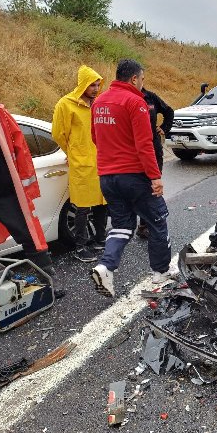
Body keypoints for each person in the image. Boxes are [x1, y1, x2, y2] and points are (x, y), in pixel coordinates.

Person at [90, 59, 174, 297]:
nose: (142, 84)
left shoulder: (99, 102)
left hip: (107, 177)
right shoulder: (135, 101)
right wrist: (155, 177)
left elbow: (96, 137)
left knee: (122, 226)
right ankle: (160, 274)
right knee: (158, 221)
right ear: (134, 79)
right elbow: (144, 144)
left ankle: (105, 266)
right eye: (142, 80)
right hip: (135, 177)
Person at [0, 86, 65, 297]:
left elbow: (21, 150)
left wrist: (26, 190)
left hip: (7, 194)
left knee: (32, 240)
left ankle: (49, 284)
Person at [52, 65, 107, 263]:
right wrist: (72, 152)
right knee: (82, 207)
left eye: (98, 84)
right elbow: (58, 133)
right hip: (81, 162)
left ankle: (101, 239)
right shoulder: (66, 104)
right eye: (91, 84)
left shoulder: (98, 103)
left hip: (101, 161)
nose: (95, 88)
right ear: (82, 84)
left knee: (102, 203)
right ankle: (80, 247)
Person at [136, 87, 174, 239]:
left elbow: (169, 111)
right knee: (139, 187)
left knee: (152, 186)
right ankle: (134, 224)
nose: (141, 81)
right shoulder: (127, 98)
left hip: (153, 148)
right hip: (135, 151)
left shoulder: (150, 97)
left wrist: (164, 128)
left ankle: (145, 224)